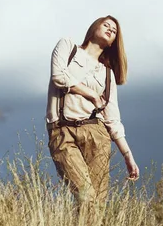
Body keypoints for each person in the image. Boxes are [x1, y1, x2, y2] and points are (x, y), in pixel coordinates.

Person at [46, 15, 139, 206]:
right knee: (85, 194)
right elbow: (58, 76)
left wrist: (127, 155)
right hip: (63, 131)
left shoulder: (107, 73)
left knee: (98, 202)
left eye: (114, 31)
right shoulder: (68, 47)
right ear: (93, 27)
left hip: (97, 135)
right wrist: (92, 95)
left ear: (114, 41)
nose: (111, 29)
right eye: (106, 25)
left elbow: (112, 118)